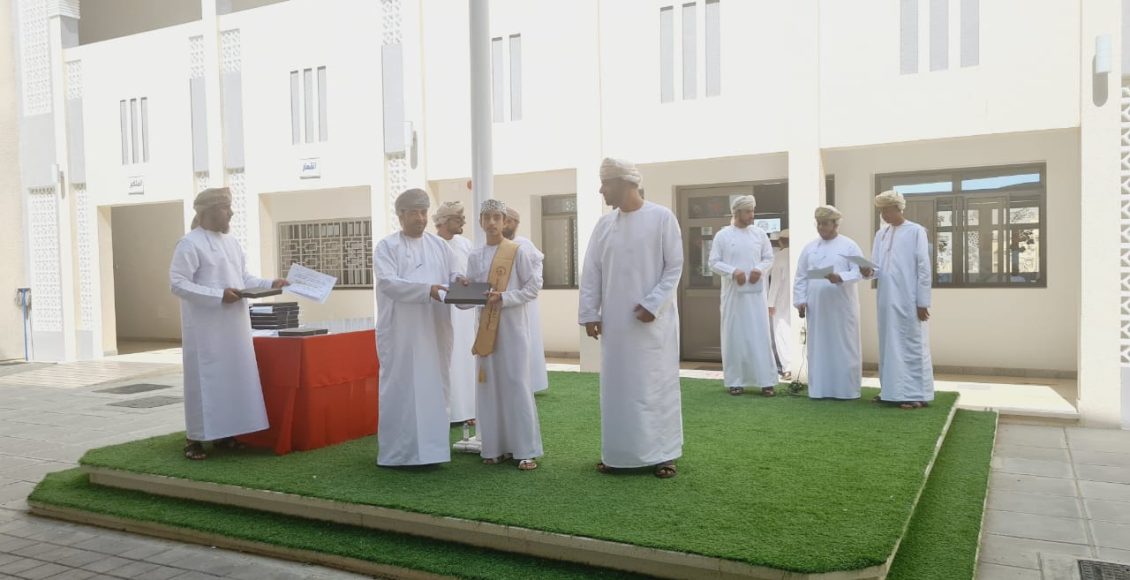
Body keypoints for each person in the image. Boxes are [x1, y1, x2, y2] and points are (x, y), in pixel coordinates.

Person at [579, 157, 683, 479]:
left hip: (652, 323)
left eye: (605, 184)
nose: (601, 190)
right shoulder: (604, 225)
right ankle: (618, 455)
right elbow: (591, 271)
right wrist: (590, 312)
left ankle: (663, 455)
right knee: (618, 389)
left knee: (655, 387)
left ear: (625, 183)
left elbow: (674, 267)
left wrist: (654, 303)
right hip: (616, 324)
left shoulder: (662, 218)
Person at [170, 187, 288, 460]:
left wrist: (270, 283)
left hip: (234, 325)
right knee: (204, 380)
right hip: (205, 329)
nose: (231, 213)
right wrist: (218, 295)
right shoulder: (189, 243)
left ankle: (225, 435)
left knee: (231, 378)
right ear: (207, 212)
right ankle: (194, 439)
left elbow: (243, 279)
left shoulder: (231, 243)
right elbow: (177, 283)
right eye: (225, 208)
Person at [374, 188, 462, 467]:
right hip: (401, 334)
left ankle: (433, 453)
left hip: (434, 330)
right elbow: (388, 283)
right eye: (414, 213)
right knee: (402, 388)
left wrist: (462, 283)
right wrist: (427, 290)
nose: (421, 218)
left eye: (424, 212)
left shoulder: (440, 246)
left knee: (434, 386)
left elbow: (453, 276)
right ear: (401, 215)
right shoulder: (387, 247)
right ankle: (399, 454)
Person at [463, 199, 544, 470]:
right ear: (480, 222)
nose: (492, 222)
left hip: (512, 329)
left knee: (516, 383)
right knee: (489, 386)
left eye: (497, 217)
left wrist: (505, 298)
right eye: (486, 217)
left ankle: (525, 450)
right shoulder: (475, 256)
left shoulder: (517, 251)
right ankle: (494, 447)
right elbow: (471, 297)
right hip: (486, 330)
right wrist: (462, 287)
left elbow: (532, 288)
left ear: (504, 221)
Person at [867, 190, 934, 409]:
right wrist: (867, 271)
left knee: (911, 344)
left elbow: (924, 268)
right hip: (886, 298)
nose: (884, 215)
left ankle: (916, 394)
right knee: (889, 344)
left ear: (898, 208)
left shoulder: (915, 231)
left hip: (909, 299)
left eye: (887, 210)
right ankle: (890, 391)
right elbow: (876, 267)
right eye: (881, 211)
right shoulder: (881, 234)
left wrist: (922, 302)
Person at [708, 195, 778, 396]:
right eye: (748, 211)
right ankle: (735, 381)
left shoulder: (759, 234)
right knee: (735, 336)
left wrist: (759, 269)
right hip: (733, 297)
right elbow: (713, 262)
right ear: (737, 212)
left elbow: (768, 258)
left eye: (753, 211)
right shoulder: (723, 235)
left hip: (756, 296)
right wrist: (733, 272)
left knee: (760, 335)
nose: (752, 215)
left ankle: (766, 381)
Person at [792, 205, 864, 400]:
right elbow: (801, 276)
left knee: (844, 346)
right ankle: (819, 390)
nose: (821, 227)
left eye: (825, 223)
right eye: (819, 224)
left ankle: (846, 390)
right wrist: (800, 301)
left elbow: (860, 272)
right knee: (818, 347)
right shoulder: (809, 248)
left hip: (842, 307)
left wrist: (840, 277)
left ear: (835, 224)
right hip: (817, 307)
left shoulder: (849, 246)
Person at [433, 201, 476, 425]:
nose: (463, 222)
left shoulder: (466, 244)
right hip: (440, 312)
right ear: (444, 221)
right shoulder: (431, 245)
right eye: (458, 218)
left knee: (466, 358)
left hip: (465, 314)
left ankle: (468, 410)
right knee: (447, 360)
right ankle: (448, 412)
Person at [502, 207, 550, 394]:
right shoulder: (495, 244)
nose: (507, 224)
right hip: (501, 301)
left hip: (524, 301)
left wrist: (532, 286)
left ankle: (529, 383)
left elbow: (537, 266)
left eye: (509, 221)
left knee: (526, 340)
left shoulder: (524, 244)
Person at [766, 229, 793, 381]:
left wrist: (770, 303)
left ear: (781, 241)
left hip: (781, 299)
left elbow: (775, 283)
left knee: (781, 330)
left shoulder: (779, 256)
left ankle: (788, 368)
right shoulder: (799, 253)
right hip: (798, 298)